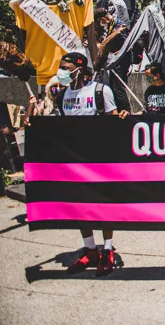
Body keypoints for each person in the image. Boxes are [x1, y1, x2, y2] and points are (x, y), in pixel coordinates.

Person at [57, 52, 127, 277]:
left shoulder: (100, 91)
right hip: (75, 162)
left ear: (79, 68)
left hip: (100, 160)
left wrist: (122, 118)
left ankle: (106, 250)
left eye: (66, 67)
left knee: (103, 207)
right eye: (61, 67)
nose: (62, 71)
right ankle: (89, 248)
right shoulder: (63, 95)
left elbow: (113, 121)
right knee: (80, 207)